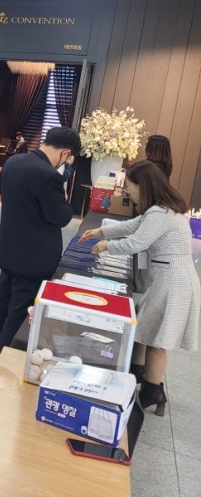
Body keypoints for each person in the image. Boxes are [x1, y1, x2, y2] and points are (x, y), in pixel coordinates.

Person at [80, 161, 199, 416]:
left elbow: (136, 242)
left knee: (157, 339)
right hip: (171, 277)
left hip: (173, 282)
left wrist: (106, 245)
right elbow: (133, 226)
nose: (127, 191)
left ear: (143, 186)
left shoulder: (159, 213)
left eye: (129, 186)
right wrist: (101, 232)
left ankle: (152, 392)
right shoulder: (162, 209)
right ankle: (137, 375)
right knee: (145, 327)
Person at [0, 126, 81, 367]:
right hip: (35, 256)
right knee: (19, 310)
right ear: (65, 153)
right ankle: (3, 362)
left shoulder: (13, 162)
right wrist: (63, 181)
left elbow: (5, 192)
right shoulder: (50, 176)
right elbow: (62, 217)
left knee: (1, 300)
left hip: (9, 247)